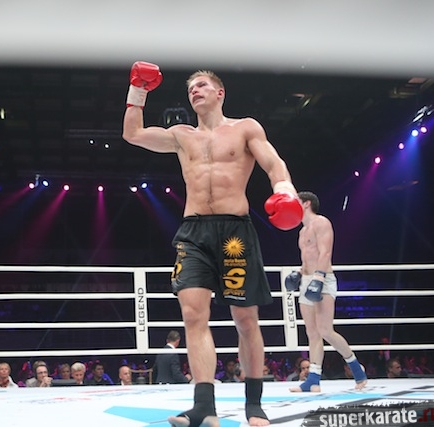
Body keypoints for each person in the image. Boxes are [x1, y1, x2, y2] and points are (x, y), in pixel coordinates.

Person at [123, 62, 302, 427]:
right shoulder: (181, 135)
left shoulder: (245, 128)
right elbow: (133, 134)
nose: (195, 90)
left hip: (235, 231)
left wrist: (285, 191)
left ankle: (254, 404)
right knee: (193, 315)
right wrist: (137, 90)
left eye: (202, 85)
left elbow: (273, 163)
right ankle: (204, 407)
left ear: (220, 93)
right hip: (193, 231)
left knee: (245, 318)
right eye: (191, 87)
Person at [285, 191, 368, 393]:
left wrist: (319, 278)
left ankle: (357, 370)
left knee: (325, 330)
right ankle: (313, 380)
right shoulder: (302, 231)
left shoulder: (321, 223)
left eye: (296, 201)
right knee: (312, 333)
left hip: (322, 278)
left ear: (306, 204)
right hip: (306, 280)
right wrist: (299, 273)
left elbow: (325, 253)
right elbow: (307, 259)